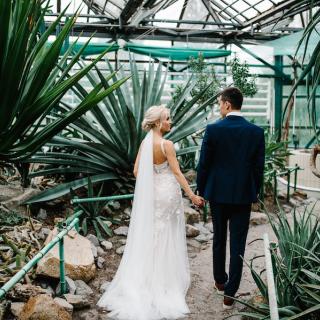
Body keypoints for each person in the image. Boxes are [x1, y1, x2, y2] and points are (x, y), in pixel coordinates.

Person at [97, 105, 204, 319]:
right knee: (166, 235)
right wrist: (192, 195)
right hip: (168, 194)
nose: (170, 121)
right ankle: (163, 282)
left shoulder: (145, 143)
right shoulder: (167, 144)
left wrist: (152, 184)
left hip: (154, 194)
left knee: (154, 233)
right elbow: (176, 172)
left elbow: (137, 171)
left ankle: (145, 279)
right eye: (167, 118)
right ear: (157, 122)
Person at [197, 87, 265, 309]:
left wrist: (201, 189)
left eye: (219, 103)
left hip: (217, 194)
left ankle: (219, 280)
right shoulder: (255, 132)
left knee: (219, 238)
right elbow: (258, 167)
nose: (219, 107)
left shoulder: (213, 130)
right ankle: (230, 293)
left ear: (227, 104)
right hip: (243, 195)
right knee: (238, 243)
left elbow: (204, 164)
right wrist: (254, 192)